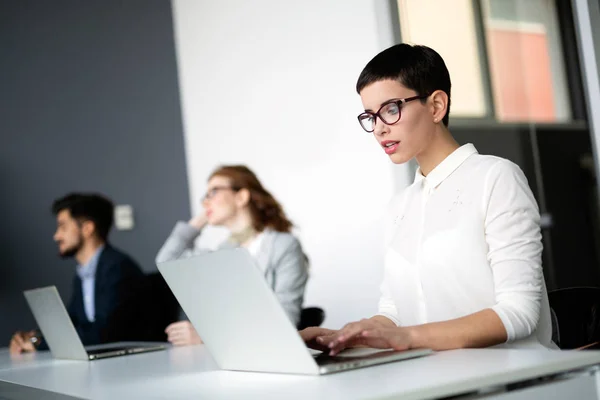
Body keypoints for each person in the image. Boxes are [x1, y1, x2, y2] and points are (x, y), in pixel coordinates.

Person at [301, 43, 555, 355]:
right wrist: (348, 336)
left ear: (436, 105)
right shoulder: (400, 206)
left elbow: (519, 312)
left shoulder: (496, 177)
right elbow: (394, 312)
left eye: (391, 109)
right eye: (370, 115)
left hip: (517, 377)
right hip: (434, 374)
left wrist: (408, 338)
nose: (379, 129)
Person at [156, 165, 308, 346]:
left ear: (241, 197)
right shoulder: (222, 252)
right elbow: (167, 261)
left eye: (213, 192)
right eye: (205, 196)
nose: (205, 202)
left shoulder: (282, 246)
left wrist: (206, 337)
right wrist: (201, 219)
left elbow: (285, 323)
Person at [9, 193, 144, 354]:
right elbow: (72, 324)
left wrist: (39, 343)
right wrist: (34, 337)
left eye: (63, 227)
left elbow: (104, 332)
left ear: (87, 229)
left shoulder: (118, 268)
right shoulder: (83, 275)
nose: (56, 236)